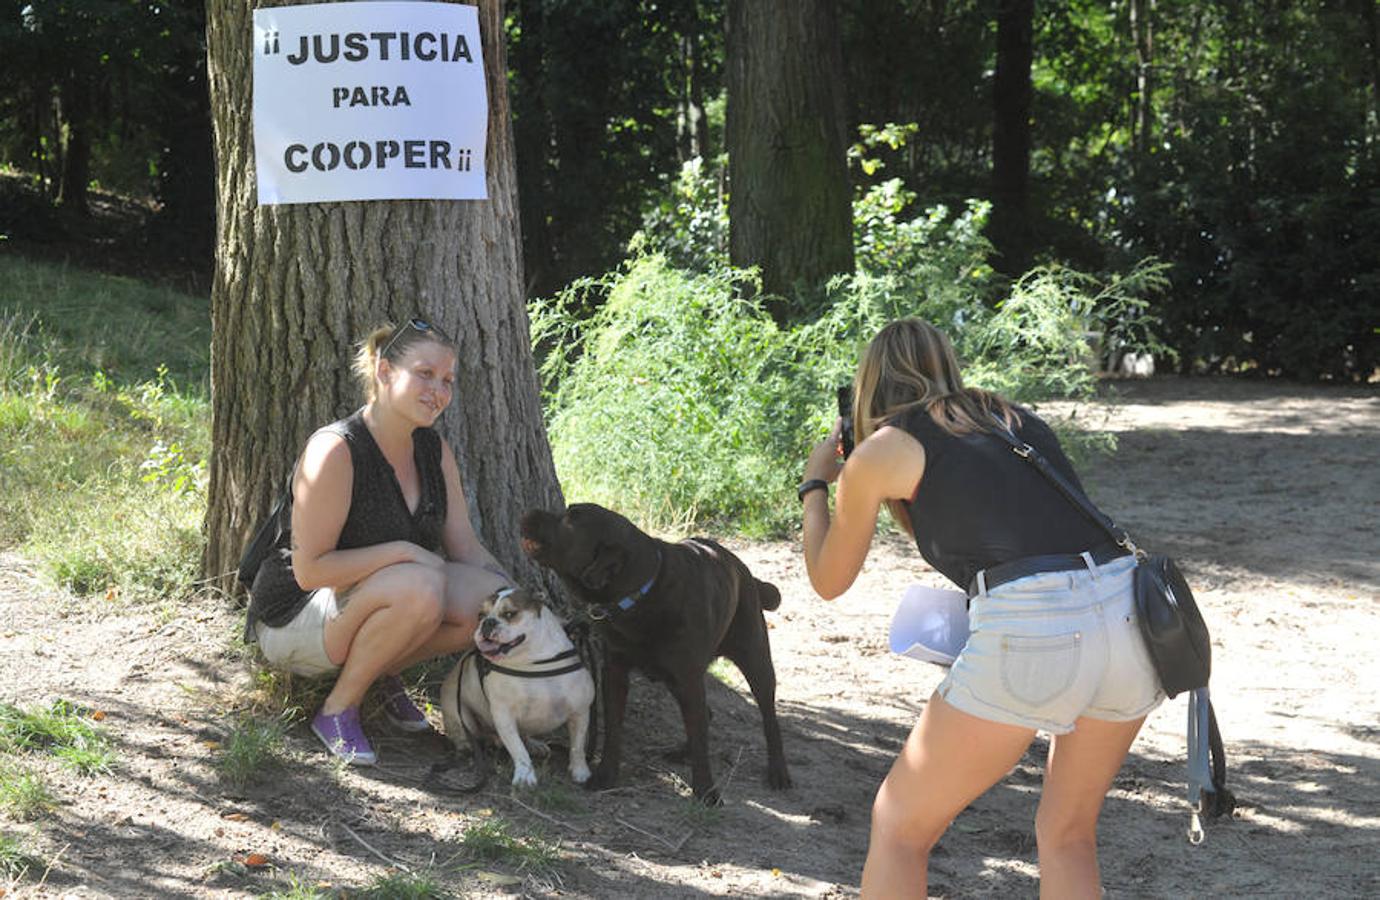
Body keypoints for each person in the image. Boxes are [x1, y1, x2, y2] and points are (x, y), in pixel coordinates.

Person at [799, 318, 1163, 899]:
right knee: (1067, 834)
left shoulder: (882, 450)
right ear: (946, 364)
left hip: (1037, 627)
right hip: (1133, 618)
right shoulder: (1012, 418)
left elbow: (828, 579)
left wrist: (817, 483)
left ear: (870, 383)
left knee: (899, 827)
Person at [243, 317, 512, 766]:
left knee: (488, 605)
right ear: (385, 372)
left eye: (447, 380)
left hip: (374, 599)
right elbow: (310, 571)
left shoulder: (433, 451)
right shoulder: (336, 449)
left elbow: (466, 548)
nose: (439, 390)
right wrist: (405, 553)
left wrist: (521, 601)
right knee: (419, 585)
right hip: (295, 613)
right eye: (425, 374)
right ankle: (337, 710)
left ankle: (379, 674)